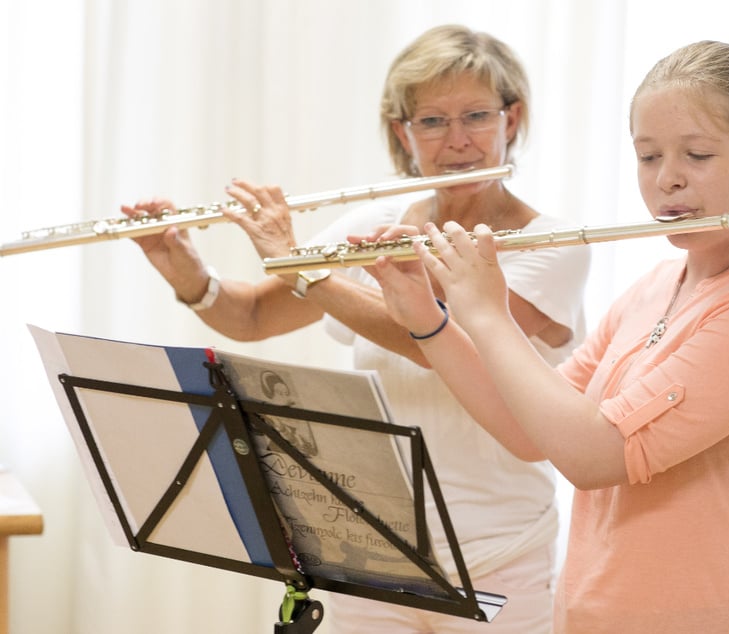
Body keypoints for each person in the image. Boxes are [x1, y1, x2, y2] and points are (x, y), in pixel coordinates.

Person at [120, 25, 590, 634]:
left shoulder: (550, 245)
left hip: (499, 557)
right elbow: (254, 316)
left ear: (512, 119)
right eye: (431, 121)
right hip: (376, 551)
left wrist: (303, 269)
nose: (458, 142)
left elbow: (443, 347)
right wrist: (186, 271)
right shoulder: (375, 222)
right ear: (403, 132)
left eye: (476, 115)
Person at [369, 40, 729, 633]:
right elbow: (528, 429)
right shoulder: (656, 285)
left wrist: (486, 313)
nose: (667, 180)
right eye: (648, 157)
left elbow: (594, 455)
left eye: (696, 155)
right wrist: (426, 319)